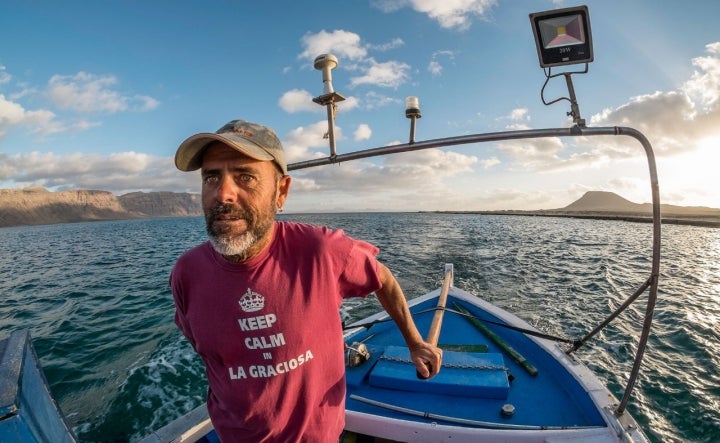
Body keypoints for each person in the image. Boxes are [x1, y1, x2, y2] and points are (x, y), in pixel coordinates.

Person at [170, 119, 443, 442]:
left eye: (245, 176)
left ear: (280, 192)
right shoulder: (187, 274)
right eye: (211, 177)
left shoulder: (320, 252)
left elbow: (380, 276)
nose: (223, 194)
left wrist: (414, 342)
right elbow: (208, 351)